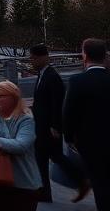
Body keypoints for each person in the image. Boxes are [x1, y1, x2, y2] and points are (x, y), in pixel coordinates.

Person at [29, 44, 88, 203]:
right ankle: (46, 191)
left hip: (48, 128)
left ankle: (80, 179)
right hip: (42, 127)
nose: (31, 61)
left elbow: (58, 103)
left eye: (33, 58)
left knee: (49, 157)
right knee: (49, 157)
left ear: (43, 57)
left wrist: (55, 126)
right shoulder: (42, 75)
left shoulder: (51, 77)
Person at [0, 80, 41, 211]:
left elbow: (20, 146)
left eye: (1, 95)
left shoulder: (25, 119)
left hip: (23, 183)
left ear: (13, 97)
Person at [64, 37, 110, 210]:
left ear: (85, 56)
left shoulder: (77, 81)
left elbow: (69, 113)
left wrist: (69, 137)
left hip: (91, 145)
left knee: (101, 185)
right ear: (104, 56)